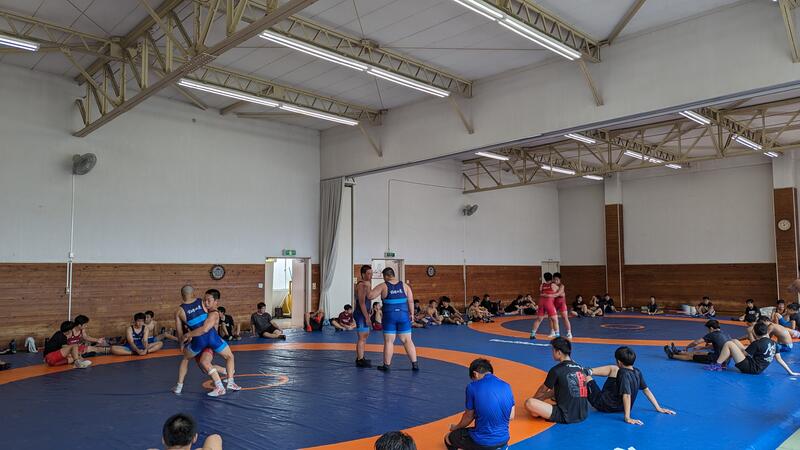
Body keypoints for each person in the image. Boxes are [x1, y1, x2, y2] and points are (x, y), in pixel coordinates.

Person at [173, 286, 238, 396]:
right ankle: (228, 375)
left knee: (185, 359)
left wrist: (182, 343)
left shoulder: (179, 311)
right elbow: (213, 314)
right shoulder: (202, 302)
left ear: (182, 295)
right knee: (227, 357)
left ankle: (179, 387)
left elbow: (180, 334)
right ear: (193, 293)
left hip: (198, 340)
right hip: (212, 337)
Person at [585, 346, 675, 425]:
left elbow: (627, 395)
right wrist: (658, 408)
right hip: (621, 407)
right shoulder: (637, 371)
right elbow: (646, 390)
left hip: (604, 405)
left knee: (584, 376)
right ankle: (589, 370)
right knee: (614, 369)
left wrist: (627, 417)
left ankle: (585, 371)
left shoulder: (623, 373)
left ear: (619, 362)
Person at [445, 358, 514, 450]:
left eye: (473, 379)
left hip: (483, 442)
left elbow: (468, 417)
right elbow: (511, 416)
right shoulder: (506, 385)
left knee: (448, 438)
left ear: (475, 374)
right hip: (504, 439)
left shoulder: (472, 387)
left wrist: (456, 427)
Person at [524, 337, 588, 424]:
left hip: (565, 415)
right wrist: (543, 397)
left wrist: (536, 400)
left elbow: (543, 389)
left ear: (559, 352)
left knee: (529, 403)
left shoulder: (556, 370)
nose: (552, 353)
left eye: (553, 351)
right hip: (582, 413)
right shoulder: (580, 367)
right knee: (561, 385)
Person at [368, 267, 419, 371]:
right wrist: (412, 314)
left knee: (389, 341)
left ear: (386, 276)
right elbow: (411, 301)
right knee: (407, 340)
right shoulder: (405, 286)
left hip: (389, 316)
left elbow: (370, 296)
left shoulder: (383, 286)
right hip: (403, 315)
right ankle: (415, 364)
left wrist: (368, 285)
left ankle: (386, 366)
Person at [707, 321, 798, 375]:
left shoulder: (757, 343)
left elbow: (743, 354)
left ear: (754, 333)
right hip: (757, 368)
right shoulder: (774, 343)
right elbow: (779, 359)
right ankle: (723, 363)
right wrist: (790, 372)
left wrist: (735, 350)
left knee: (729, 344)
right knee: (735, 341)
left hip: (750, 368)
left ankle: (717, 365)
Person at [663, 319, 731, 364]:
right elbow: (718, 345)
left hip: (718, 360)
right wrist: (702, 348)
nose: (708, 331)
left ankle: (672, 356)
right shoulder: (725, 334)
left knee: (691, 356)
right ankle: (678, 352)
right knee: (699, 352)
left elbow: (696, 342)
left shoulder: (713, 334)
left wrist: (687, 347)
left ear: (711, 328)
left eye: (708, 329)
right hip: (724, 360)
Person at [529, 272, 559, 340]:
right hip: (549, 303)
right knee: (555, 319)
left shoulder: (542, 285)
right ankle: (557, 336)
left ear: (544, 278)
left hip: (541, 302)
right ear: (552, 278)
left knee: (539, 319)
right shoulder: (553, 285)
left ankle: (532, 334)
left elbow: (541, 292)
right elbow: (559, 292)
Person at [354, 265, 373, 366]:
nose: (371, 275)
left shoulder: (367, 284)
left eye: (371, 273)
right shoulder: (361, 285)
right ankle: (360, 360)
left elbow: (367, 300)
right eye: (368, 273)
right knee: (362, 337)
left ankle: (361, 357)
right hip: (361, 314)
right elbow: (361, 303)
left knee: (365, 336)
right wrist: (367, 317)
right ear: (363, 274)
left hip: (364, 313)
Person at [552, 273, 573, 339]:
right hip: (554, 303)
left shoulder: (561, 286)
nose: (556, 281)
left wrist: (555, 294)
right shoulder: (552, 285)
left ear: (560, 280)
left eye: (557, 280)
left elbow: (560, 294)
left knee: (565, 317)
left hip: (561, 303)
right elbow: (560, 294)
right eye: (554, 279)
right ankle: (553, 332)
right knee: (552, 318)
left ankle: (569, 333)